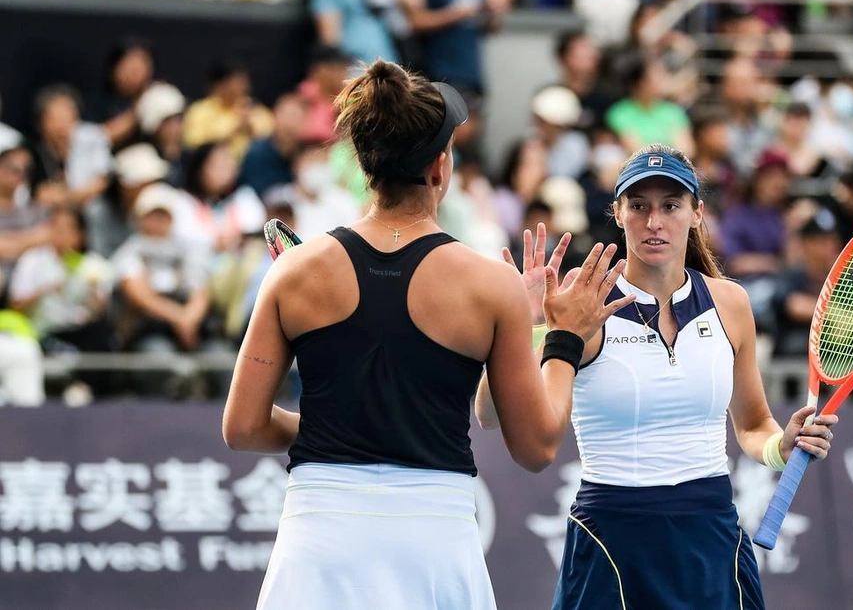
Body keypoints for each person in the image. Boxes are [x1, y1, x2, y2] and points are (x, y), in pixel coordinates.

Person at [221, 59, 636, 610]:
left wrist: (343, 423)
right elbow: (536, 446)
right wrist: (561, 337)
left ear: (366, 167)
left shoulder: (294, 272)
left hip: (318, 539)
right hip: (435, 541)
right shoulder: (493, 285)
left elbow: (244, 428)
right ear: (440, 168)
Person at [476, 143, 839, 610]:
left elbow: (752, 425)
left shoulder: (731, 304)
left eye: (670, 206)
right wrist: (526, 329)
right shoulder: (582, 306)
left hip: (711, 538)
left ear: (696, 213)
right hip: (612, 541)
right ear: (618, 213)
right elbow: (489, 414)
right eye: (639, 206)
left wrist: (780, 446)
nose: (654, 222)